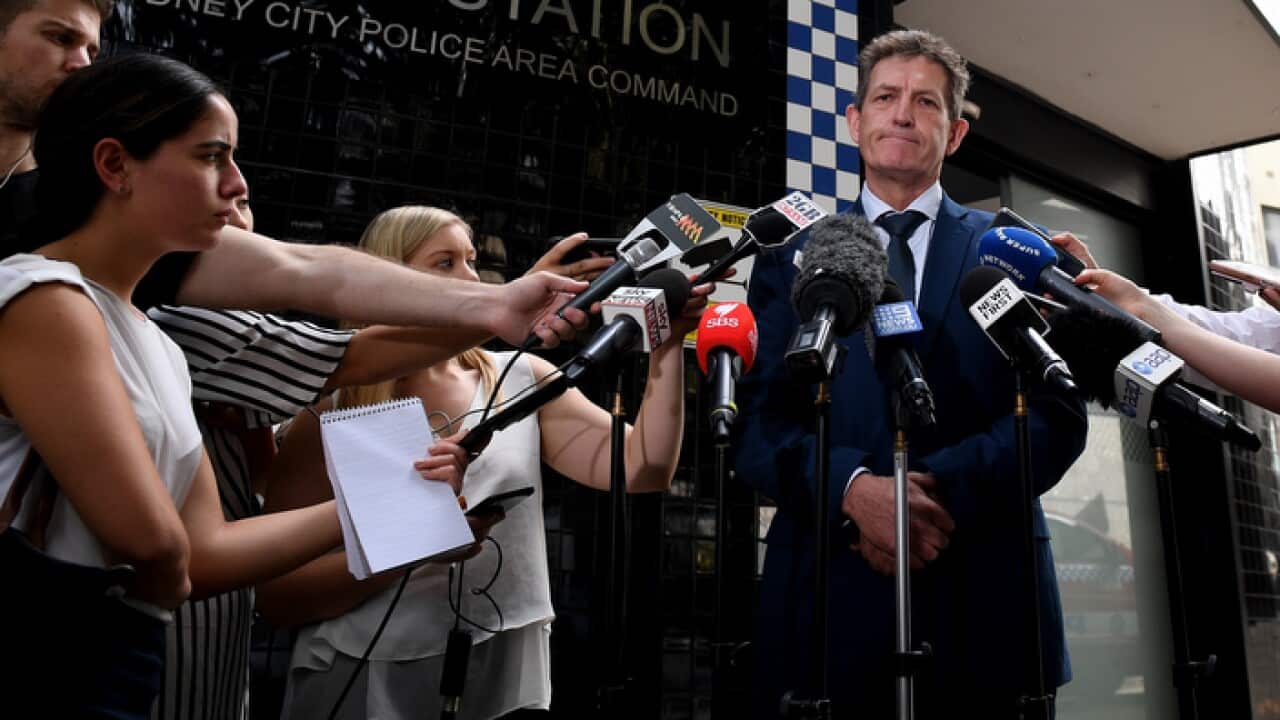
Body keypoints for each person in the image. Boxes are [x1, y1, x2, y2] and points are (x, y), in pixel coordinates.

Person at [0, 53, 463, 716]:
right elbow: (156, 543)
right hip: (52, 655)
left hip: (126, 653)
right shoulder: (41, 296)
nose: (236, 184)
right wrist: (158, 578)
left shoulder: (153, 340)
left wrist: (398, 493)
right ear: (114, 165)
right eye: (210, 157)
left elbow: (206, 549)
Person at [733, 30, 1088, 717]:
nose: (902, 114)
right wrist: (854, 490)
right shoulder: (791, 258)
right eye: (886, 97)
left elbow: (1059, 414)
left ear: (953, 134)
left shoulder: (1018, 252)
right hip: (829, 596)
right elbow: (758, 425)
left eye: (925, 103)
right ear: (855, 121)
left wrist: (928, 496)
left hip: (987, 592)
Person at [255, 205, 707, 720]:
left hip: (500, 662)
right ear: (384, 277)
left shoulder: (520, 376)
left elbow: (642, 468)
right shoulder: (331, 411)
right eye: (444, 263)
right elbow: (278, 596)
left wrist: (666, 347)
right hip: (364, 674)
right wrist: (421, 547)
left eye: (471, 261)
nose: (470, 277)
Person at [0, 0, 588, 350]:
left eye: (91, 46)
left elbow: (304, 268)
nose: (80, 62)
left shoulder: (73, 208)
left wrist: (496, 303)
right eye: (59, 37)